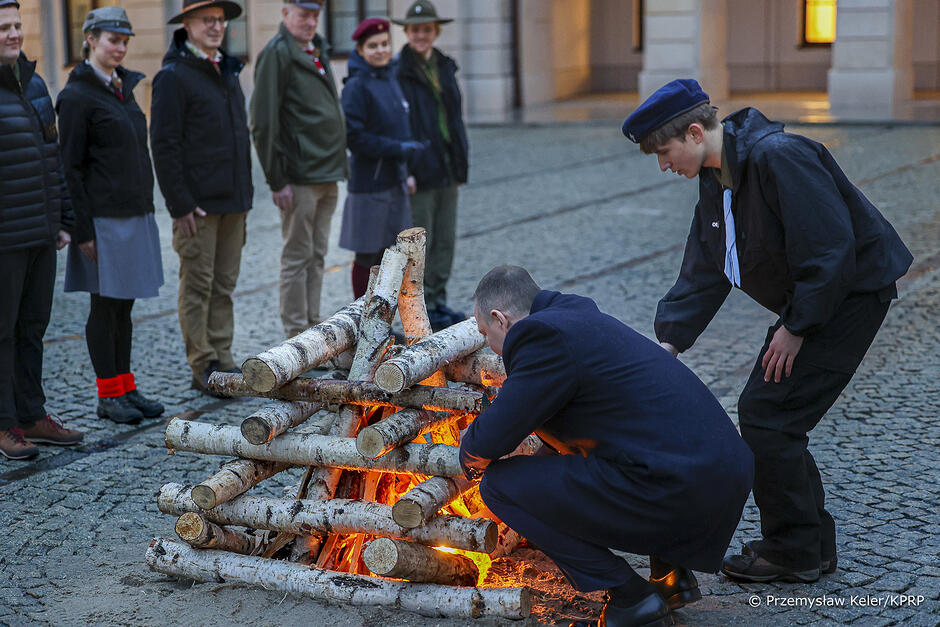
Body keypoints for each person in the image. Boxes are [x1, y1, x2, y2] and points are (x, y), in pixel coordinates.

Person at [622, 79, 913, 583]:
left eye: (664, 151)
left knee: (769, 417)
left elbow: (829, 248)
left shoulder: (779, 156)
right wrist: (666, 343)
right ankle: (809, 546)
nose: (663, 165)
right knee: (771, 416)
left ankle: (795, 551)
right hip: (819, 302)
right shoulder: (717, 179)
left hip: (849, 299)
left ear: (695, 132)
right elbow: (706, 268)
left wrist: (796, 327)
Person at [460, 266, 754, 627]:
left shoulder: (541, 336)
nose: (489, 343)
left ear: (499, 319)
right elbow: (584, 426)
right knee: (629, 445)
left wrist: (469, 461)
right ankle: (671, 578)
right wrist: (538, 487)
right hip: (717, 475)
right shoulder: (577, 320)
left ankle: (631, 599)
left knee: (499, 486)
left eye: (484, 334)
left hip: (678, 488)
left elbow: (490, 437)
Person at [56, 7, 165, 423]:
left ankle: (126, 387)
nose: (119, 47)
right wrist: (81, 228)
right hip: (101, 222)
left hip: (134, 214)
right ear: (90, 39)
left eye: (124, 41)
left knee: (124, 306)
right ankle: (107, 396)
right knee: (105, 307)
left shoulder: (122, 88)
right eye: (111, 39)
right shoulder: (77, 96)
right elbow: (70, 169)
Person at [151, 0, 252, 396]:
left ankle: (224, 358)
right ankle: (203, 363)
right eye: (207, 20)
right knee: (198, 284)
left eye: (220, 21)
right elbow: (164, 144)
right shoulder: (173, 75)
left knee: (224, 285)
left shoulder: (226, 68)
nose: (216, 27)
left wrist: (246, 193)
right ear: (187, 25)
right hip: (197, 205)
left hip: (233, 201)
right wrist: (179, 203)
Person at [0, 0, 84, 460]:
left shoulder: (33, 84)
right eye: (3, 28)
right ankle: (3, 422)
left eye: (16, 25)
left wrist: (64, 220)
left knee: (33, 328)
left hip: (39, 233)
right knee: (2, 332)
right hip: (4, 239)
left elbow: (54, 161)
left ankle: (32, 414)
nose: (13, 34)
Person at [251, 0, 348, 338]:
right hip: (299, 176)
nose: (310, 22)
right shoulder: (278, 53)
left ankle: (312, 324)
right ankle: (296, 333)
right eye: (304, 15)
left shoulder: (316, 50)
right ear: (285, 14)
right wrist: (277, 180)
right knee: (297, 256)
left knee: (318, 254)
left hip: (326, 172)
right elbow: (264, 123)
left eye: (315, 16)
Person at [393, 0, 469, 331]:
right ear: (407, 33)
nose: (421, 35)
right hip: (419, 170)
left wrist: (461, 161)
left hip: (447, 164)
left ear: (435, 31)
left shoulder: (445, 66)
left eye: (426, 29)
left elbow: (454, 118)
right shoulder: (398, 72)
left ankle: (436, 300)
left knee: (446, 240)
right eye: (415, 30)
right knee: (421, 243)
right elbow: (398, 124)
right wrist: (405, 169)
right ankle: (417, 308)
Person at [338, 17, 424, 299]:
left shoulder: (390, 78)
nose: (380, 50)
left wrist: (406, 169)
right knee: (367, 256)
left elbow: (401, 128)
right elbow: (354, 137)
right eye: (373, 46)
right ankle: (362, 320)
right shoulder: (356, 86)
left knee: (394, 257)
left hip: (394, 181)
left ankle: (383, 323)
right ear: (361, 51)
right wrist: (396, 149)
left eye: (385, 44)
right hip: (369, 185)